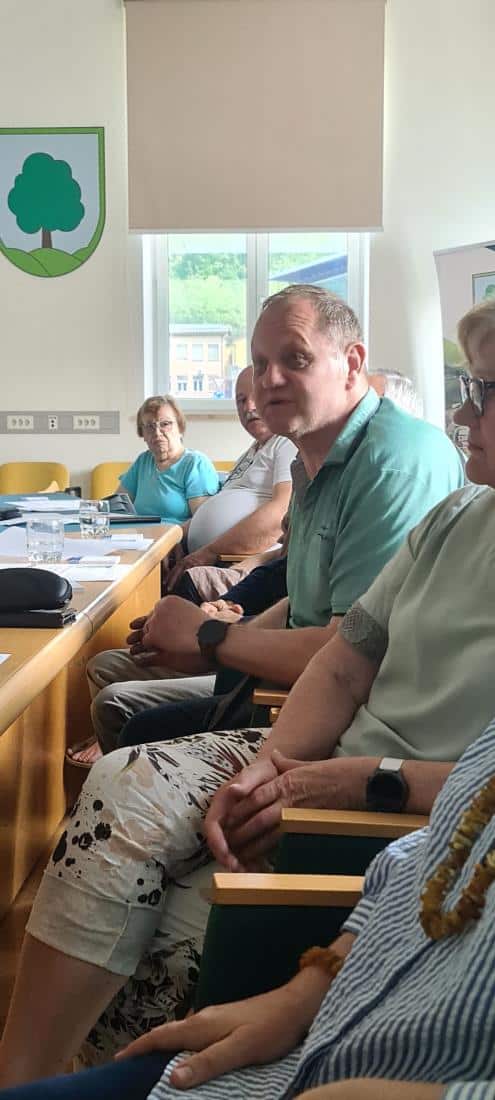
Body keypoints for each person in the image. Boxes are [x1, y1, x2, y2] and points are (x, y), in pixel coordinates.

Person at [0, 284, 466, 1074]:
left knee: (129, 786)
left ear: (352, 363)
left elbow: (351, 654)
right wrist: (221, 642)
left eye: (294, 359)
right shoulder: (319, 460)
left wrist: (216, 639)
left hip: (357, 752)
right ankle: (46, 1075)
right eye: (258, 362)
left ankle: (43, 1075)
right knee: (125, 778)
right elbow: (332, 624)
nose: (269, 379)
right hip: (318, 726)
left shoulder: (396, 459)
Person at [3, 714, 495, 1098]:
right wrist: (303, 995)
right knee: (122, 784)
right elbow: (421, 854)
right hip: (296, 1049)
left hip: (372, 1068)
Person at [68, 371, 295, 764]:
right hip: (231, 580)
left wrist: (215, 609)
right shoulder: (257, 450)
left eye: (165, 425)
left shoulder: (287, 449)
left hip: (229, 581)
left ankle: (150, 677)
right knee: (111, 659)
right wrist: (187, 548)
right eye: (241, 399)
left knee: (186, 583)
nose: (250, 406)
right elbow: (279, 558)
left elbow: (277, 525)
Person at [120, 395, 219, 524]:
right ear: (142, 434)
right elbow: (117, 507)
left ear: (180, 428)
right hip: (138, 535)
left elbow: (203, 522)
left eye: (165, 424)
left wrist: (169, 536)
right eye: (149, 426)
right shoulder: (143, 461)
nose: (157, 432)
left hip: (177, 535)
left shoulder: (195, 464)